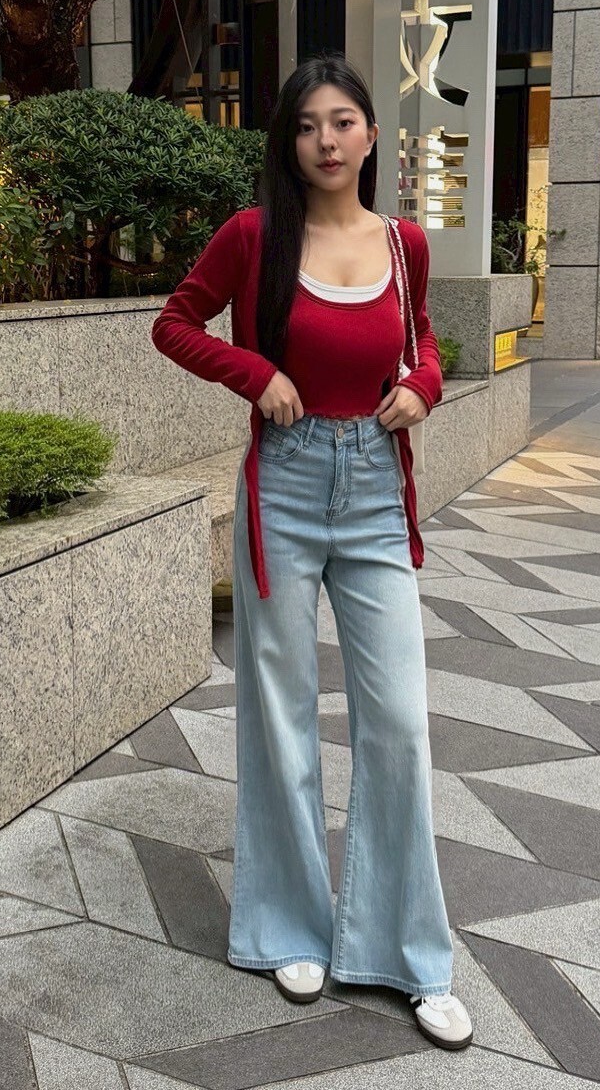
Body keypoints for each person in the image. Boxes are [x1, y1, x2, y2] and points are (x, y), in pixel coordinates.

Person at [151, 53, 472, 1052]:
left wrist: (422, 386)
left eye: (340, 121)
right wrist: (253, 373)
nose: (323, 140)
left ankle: (406, 954)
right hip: (284, 489)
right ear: (286, 142)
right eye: (304, 125)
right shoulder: (253, 235)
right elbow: (173, 323)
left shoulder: (402, 244)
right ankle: (287, 925)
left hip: (373, 490)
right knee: (280, 715)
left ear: (371, 134)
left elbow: (424, 344)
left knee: (399, 722)